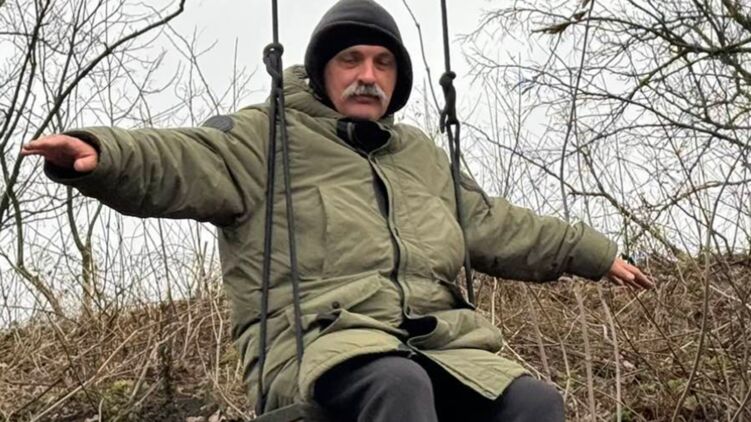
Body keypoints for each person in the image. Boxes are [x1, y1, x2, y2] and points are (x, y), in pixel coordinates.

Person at [22, 0, 653, 421]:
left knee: (533, 403)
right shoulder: (266, 139)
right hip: (321, 344)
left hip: (442, 345)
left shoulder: (422, 156)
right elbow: (185, 159)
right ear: (323, 71)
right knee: (397, 385)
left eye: (383, 63)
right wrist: (104, 155)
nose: (367, 75)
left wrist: (593, 253)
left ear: (396, 81)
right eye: (350, 60)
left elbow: (494, 223)